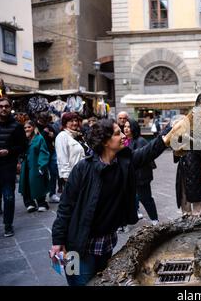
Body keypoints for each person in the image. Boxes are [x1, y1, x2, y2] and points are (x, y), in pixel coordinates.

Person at [50, 118, 176, 286]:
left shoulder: (124, 162)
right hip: (77, 246)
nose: (124, 135)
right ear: (105, 141)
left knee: (102, 282)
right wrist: (58, 241)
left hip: (105, 244)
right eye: (118, 133)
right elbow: (65, 207)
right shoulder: (82, 168)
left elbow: (148, 152)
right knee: (79, 283)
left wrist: (170, 130)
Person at [0, 97, 27, 237]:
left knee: (9, 196)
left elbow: (23, 146)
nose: (3, 109)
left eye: (6, 106)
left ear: (10, 108)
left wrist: (9, 152)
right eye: (1, 106)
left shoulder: (17, 126)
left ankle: (8, 225)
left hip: (7, 166)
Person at [123, 119, 159, 225]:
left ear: (134, 128)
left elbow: (142, 160)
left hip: (140, 177)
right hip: (130, 176)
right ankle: (131, 219)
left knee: (146, 198)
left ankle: (155, 220)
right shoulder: (126, 140)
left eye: (128, 127)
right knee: (131, 198)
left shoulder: (140, 141)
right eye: (125, 126)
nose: (126, 129)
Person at [19, 121, 50, 212]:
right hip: (25, 165)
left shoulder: (39, 138)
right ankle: (29, 203)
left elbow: (43, 152)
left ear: (33, 127)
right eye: (25, 128)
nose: (27, 129)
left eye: (29, 127)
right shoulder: (24, 139)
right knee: (26, 184)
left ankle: (41, 203)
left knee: (38, 184)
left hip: (36, 165)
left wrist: (42, 165)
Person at [175, 151, 201, 218]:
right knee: (184, 193)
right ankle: (190, 216)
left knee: (195, 194)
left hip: (195, 165)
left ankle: (195, 217)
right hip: (185, 165)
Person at [55, 112, 86, 182]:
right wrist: (67, 177)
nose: (75, 123)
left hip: (83, 174)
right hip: (73, 176)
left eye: (76, 121)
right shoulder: (62, 136)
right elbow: (62, 158)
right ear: (65, 123)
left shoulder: (78, 135)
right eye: (71, 121)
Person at [36, 112, 60, 203]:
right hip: (40, 153)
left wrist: (53, 135)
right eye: (44, 120)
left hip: (51, 151)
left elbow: (56, 136)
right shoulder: (35, 126)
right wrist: (44, 133)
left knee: (54, 171)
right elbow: (36, 139)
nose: (46, 122)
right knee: (41, 173)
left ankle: (52, 193)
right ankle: (41, 195)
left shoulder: (49, 126)